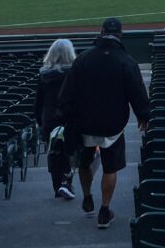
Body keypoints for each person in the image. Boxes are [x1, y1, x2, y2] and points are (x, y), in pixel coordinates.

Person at [58, 18, 150, 229]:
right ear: (120, 35)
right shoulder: (126, 61)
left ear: (100, 32)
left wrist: (65, 117)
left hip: (84, 123)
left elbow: (67, 94)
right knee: (110, 167)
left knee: (84, 161)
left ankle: (88, 197)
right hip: (112, 124)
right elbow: (137, 93)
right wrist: (144, 115)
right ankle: (104, 210)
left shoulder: (83, 59)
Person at [36, 39, 77, 199]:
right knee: (68, 151)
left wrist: (40, 121)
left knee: (53, 152)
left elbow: (39, 102)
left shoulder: (44, 74)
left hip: (50, 119)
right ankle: (66, 183)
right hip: (69, 118)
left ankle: (58, 186)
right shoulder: (73, 73)